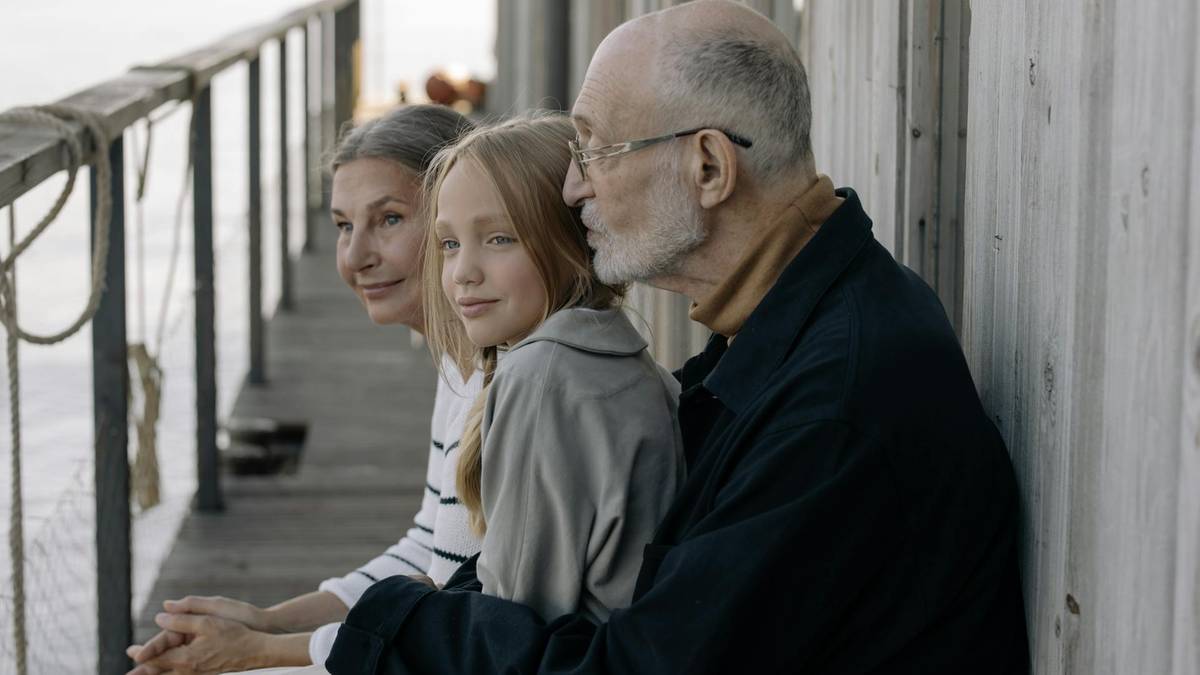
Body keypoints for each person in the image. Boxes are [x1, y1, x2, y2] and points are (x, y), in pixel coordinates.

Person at [324, 2, 1031, 673]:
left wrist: (393, 619)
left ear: (709, 168)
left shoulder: (837, 404)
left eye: (595, 149)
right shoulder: (792, 320)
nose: (572, 187)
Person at [125, 104, 483, 675]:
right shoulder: (461, 368)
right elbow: (430, 548)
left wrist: (259, 652)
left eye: (389, 219)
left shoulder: (508, 383)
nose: (355, 256)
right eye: (343, 226)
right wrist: (266, 621)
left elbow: (468, 609)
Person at [421, 113, 684, 623]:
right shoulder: (624, 363)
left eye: (499, 238)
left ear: (574, 243)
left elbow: (512, 622)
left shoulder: (544, 376)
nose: (462, 273)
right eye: (450, 243)